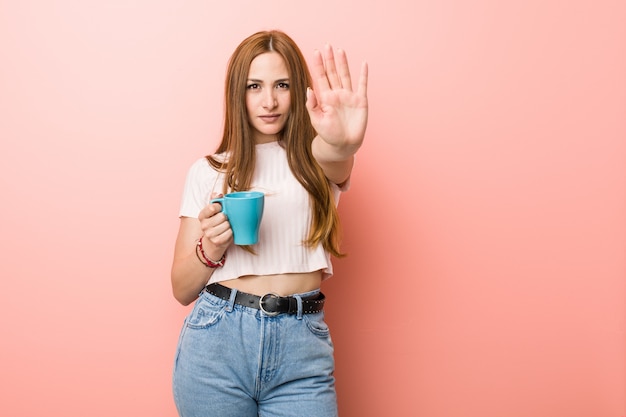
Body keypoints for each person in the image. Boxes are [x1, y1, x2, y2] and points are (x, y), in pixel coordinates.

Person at [171, 30, 368, 417]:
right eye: (254, 86)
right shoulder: (208, 171)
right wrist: (210, 248)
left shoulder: (315, 158)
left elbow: (336, 153)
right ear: (237, 94)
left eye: (282, 85)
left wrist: (345, 144)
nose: (269, 101)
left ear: (299, 91)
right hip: (216, 343)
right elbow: (180, 288)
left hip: (301, 347)